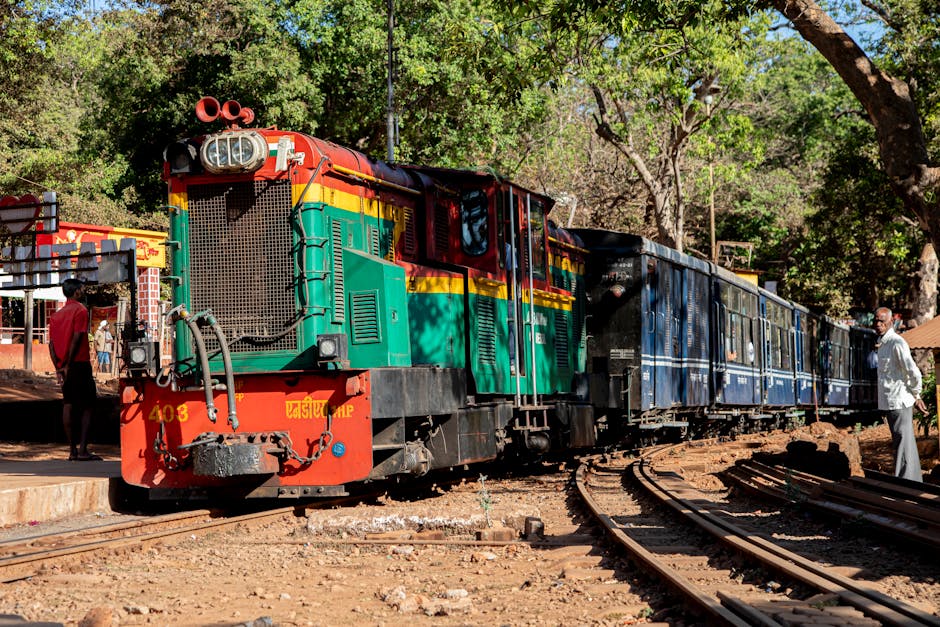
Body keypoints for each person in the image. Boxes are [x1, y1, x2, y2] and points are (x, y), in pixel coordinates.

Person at [48, 279, 100, 461]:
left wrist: (59, 367)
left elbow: (51, 345)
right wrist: (69, 364)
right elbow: (77, 338)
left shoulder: (56, 316)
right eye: (82, 289)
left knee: (68, 403)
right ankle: (83, 449)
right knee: (88, 405)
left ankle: (72, 451)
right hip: (79, 363)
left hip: (63, 365)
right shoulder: (81, 310)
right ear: (77, 292)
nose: (83, 291)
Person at [873, 306, 924, 482]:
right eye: (876, 320)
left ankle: (906, 483)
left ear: (891, 322)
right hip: (890, 401)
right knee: (902, 443)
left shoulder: (897, 343)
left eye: (882, 321)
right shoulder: (883, 344)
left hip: (899, 401)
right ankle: (911, 481)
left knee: (903, 442)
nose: (878, 324)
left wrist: (916, 395)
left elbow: (913, 372)